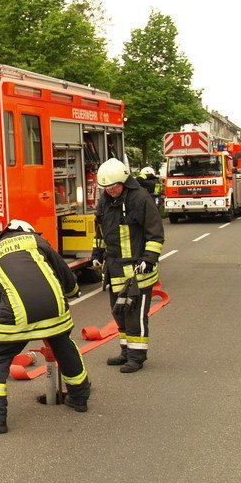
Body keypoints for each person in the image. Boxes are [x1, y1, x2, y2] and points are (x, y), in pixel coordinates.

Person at [0, 220, 92, 434]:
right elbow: (67, 278)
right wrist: (71, 293)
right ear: (27, 231)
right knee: (63, 345)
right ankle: (79, 398)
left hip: (16, 314)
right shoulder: (38, 241)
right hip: (55, 309)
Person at [91, 158, 165, 373]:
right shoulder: (105, 200)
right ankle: (125, 352)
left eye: (113, 186)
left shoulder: (140, 199)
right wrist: (97, 252)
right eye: (106, 187)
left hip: (137, 271)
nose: (110, 191)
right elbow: (101, 232)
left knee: (134, 315)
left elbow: (155, 234)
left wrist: (148, 260)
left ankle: (137, 356)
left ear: (123, 181)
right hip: (115, 270)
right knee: (119, 313)